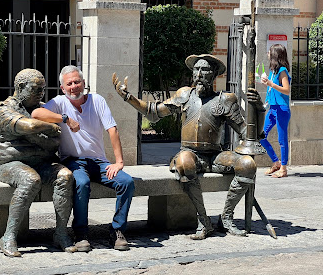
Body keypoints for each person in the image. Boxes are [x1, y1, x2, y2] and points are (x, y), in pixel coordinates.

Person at [113, 54, 265, 239]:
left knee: (248, 164)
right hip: (190, 153)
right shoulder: (184, 95)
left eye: (205, 70)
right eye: (196, 70)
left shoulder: (225, 100)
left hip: (216, 155)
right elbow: (153, 112)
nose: (199, 74)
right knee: (185, 162)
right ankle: (203, 220)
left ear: (215, 74)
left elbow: (249, 135)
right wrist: (128, 97)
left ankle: (226, 217)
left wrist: (259, 110)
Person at [32, 65, 135, 252]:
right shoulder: (59, 102)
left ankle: (117, 230)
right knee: (82, 182)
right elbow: (36, 113)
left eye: (77, 82)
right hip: (73, 161)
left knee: (126, 182)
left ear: (84, 83)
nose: (74, 86)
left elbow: (112, 129)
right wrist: (65, 119)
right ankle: (81, 233)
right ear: (63, 88)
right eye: (69, 84)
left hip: (99, 161)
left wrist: (119, 162)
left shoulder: (97, 100)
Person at [0, 68, 76, 257]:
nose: (41, 94)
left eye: (43, 89)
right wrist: (49, 127)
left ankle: (61, 233)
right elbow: (29, 125)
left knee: (65, 176)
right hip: (10, 164)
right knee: (31, 179)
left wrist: (37, 136)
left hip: (42, 163)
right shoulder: (4, 110)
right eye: (36, 89)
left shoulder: (42, 109)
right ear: (21, 87)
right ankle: (8, 237)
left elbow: (56, 141)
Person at [260, 44, 291, 178]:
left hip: (281, 109)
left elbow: (286, 90)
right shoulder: (273, 71)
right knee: (261, 136)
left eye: (270, 52)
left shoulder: (282, 71)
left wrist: (271, 84)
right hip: (272, 108)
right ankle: (276, 162)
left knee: (282, 139)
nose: (267, 53)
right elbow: (272, 88)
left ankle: (283, 169)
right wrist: (266, 83)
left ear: (275, 55)